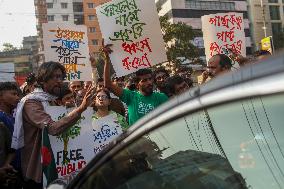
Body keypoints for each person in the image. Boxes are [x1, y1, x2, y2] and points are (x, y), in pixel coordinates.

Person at [12, 61, 94, 189]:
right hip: (39, 171)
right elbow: (52, 128)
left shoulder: (51, 100)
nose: (59, 81)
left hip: (59, 165)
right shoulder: (31, 102)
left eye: (61, 77)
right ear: (43, 79)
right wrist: (80, 109)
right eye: (55, 77)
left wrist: (71, 108)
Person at [102, 43, 168, 126]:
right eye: (144, 80)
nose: (149, 82)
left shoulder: (161, 97)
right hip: (138, 138)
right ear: (137, 85)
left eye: (150, 79)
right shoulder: (130, 97)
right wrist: (107, 59)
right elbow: (108, 84)